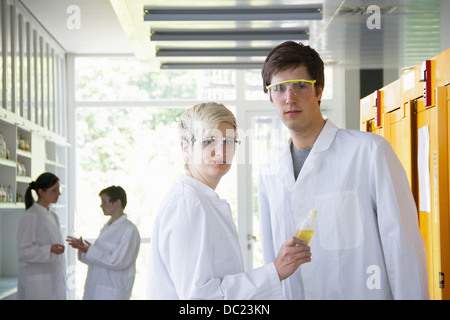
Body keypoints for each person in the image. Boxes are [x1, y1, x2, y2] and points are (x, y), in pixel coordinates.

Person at [257, 41, 429, 299]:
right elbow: (273, 260)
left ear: (319, 90)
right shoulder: (269, 172)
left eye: (300, 86)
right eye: (279, 88)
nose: (289, 98)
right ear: (271, 97)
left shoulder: (369, 152)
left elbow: (402, 246)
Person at [147, 102, 311, 300]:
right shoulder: (187, 204)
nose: (221, 151)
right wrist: (274, 272)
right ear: (186, 148)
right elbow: (199, 298)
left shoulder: (203, 200)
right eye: (209, 141)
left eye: (229, 141)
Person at [66, 186, 140, 300]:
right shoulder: (107, 227)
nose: (101, 205)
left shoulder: (129, 230)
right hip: (96, 287)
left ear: (117, 202)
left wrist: (89, 250)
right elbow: (99, 259)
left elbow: (117, 261)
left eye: (104, 202)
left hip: (112, 290)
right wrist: (83, 249)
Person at [17, 172, 66, 300]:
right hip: (37, 285)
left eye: (59, 190)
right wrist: (49, 249)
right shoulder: (30, 216)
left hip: (53, 280)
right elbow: (23, 251)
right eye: (54, 190)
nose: (58, 194)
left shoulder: (53, 217)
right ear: (41, 192)